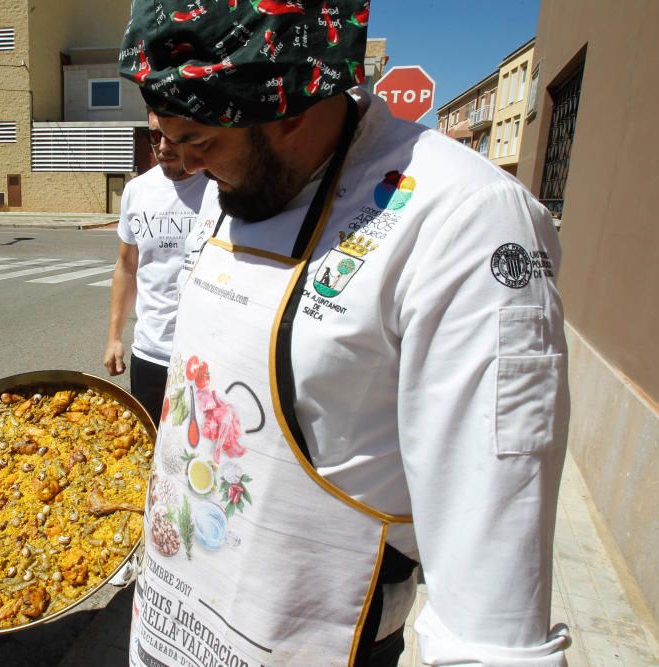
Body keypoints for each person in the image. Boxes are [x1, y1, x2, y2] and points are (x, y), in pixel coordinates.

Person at [119, 4, 570, 667]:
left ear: (291, 106)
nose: (186, 167)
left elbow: (493, 618)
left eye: (202, 143)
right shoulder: (242, 182)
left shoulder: (466, 222)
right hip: (170, 628)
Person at [103, 111, 207, 425]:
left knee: (196, 458)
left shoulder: (219, 190)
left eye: (172, 135)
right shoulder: (137, 191)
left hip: (202, 357)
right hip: (148, 354)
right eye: (154, 135)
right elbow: (127, 267)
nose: (162, 146)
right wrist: (114, 337)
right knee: (147, 448)